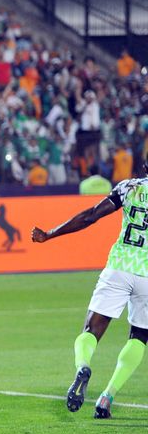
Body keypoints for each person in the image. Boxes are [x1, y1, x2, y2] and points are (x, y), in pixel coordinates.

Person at [31, 168, 148, 418]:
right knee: (139, 336)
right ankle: (107, 397)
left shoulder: (129, 187)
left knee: (91, 330)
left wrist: (50, 234)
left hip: (120, 266)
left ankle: (83, 366)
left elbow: (91, 216)